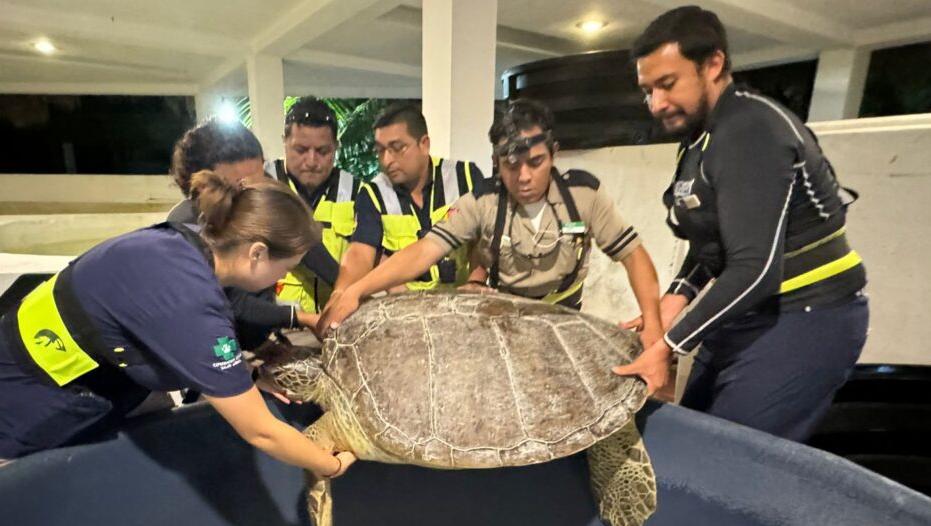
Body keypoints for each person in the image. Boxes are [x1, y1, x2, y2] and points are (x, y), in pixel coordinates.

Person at [0, 172, 357, 479]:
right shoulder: (189, 299)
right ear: (256, 253)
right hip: (13, 414)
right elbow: (261, 432)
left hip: (62, 375)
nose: (280, 281)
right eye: (284, 268)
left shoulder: (184, 244)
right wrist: (330, 464)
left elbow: (186, 329)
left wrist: (241, 378)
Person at [616, 6, 869, 441]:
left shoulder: (749, 129)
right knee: (687, 438)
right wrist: (670, 304)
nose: (656, 104)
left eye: (668, 84)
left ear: (713, 64)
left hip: (806, 318)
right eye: (647, 90)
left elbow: (755, 269)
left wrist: (670, 345)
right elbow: (713, 245)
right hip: (749, 315)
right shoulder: (700, 137)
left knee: (731, 462)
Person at [319, 99, 669, 393]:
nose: (524, 177)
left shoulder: (584, 195)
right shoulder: (483, 201)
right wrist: (355, 290)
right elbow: (425, 250)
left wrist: (653, 324)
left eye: (536, 162)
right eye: (510, 166)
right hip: (506, 325)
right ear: (497, 163)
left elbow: (633, 255)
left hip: (565, 324)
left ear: (554, 154)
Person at [169, 118, 325, 343]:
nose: (255, 192)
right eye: (240, 184)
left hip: (257, 337)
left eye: (260, 178)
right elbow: (233, 303)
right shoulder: (184, 232)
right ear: (205, 184)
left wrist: (348, 290)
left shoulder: (255, 195)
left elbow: (300, 243)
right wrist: (300, 318)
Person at [327, 103, 484, 301]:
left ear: (424, 144)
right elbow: (361, 252)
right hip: (404, 306)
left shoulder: (465, 178)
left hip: (462, 301)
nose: (387, 160)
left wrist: (476, 281)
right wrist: (341, 294)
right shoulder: (374, 194)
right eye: (380, 150)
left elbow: (484, 239)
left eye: (397, 148)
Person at [264, 97, 358, 313]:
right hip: (276, 325)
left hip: (340, 322)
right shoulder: (264, 182)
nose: (312, 161)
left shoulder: (358, 192)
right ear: (284, 142)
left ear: (336, 147)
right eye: (301, 150)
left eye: (323, 151)